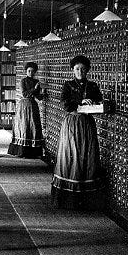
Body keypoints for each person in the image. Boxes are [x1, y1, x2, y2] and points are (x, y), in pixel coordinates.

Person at [51, 55, 103, 210]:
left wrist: (95, 103)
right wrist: (80, 103)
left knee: (87, 154)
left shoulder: (93, 86)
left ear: (87, 70)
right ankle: (68, 198)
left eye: (83, 69)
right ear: (73, 70)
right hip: (72, 123)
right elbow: (65, 104)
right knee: (71, 154)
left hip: (87, 124)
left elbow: (99, 102)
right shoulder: (68, 85)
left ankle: (87, 199)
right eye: (77, 69)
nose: (80, 72)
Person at [7, 62, 45, 158]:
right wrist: (34, 88)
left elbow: (38, 97)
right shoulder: (23, 81)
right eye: (29, 71)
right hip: (24, 105)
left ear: (35, 72)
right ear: (26, 71)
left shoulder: (36, 81)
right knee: (24, 126)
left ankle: (32, 152)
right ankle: (22, 151)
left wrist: (43, 93)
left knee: (33, 126)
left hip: (33, 105)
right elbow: (24, 94)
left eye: (32, 71)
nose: (30, 73)